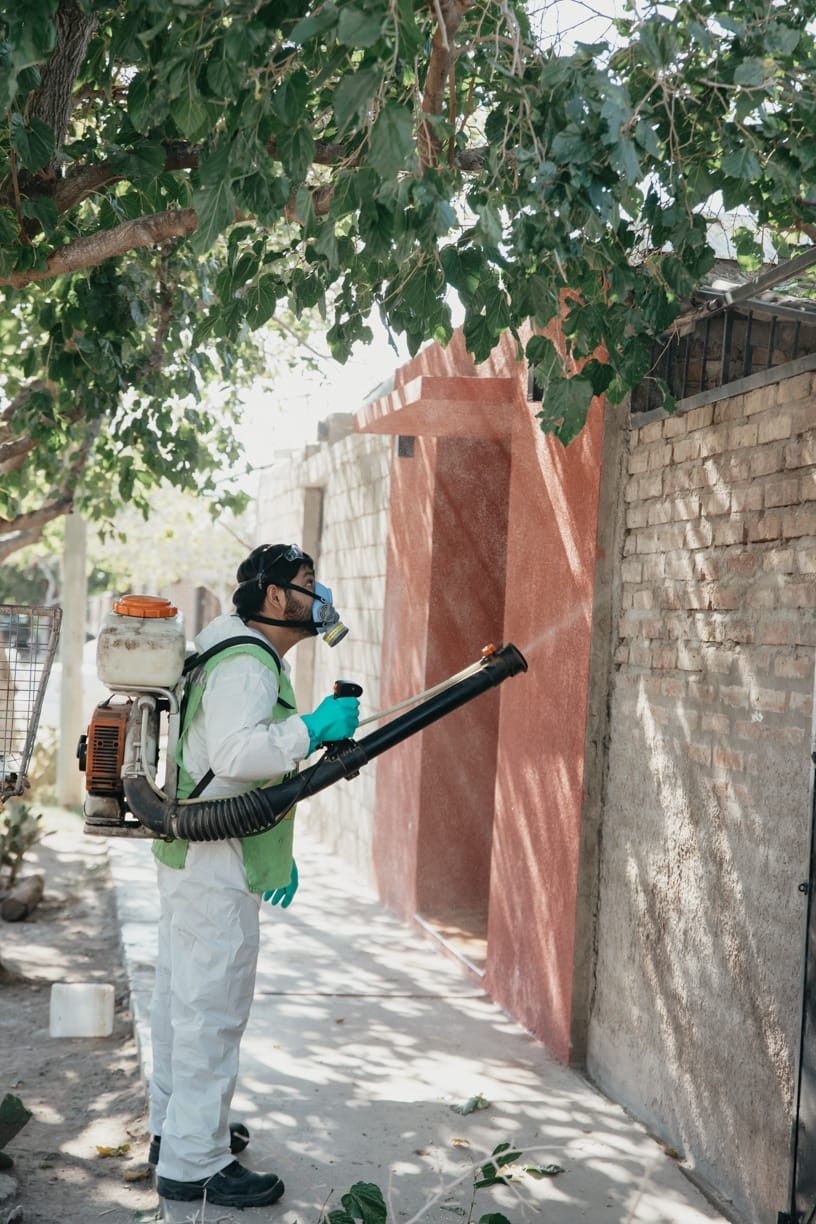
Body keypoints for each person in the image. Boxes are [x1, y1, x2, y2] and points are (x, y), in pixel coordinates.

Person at [148, 544, 360, 1208]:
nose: (317, 595)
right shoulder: (249, 664)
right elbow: (239, 755)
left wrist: (276, 850)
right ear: (275, 597)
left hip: (193, 850)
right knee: (211, 1009)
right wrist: (312, 728)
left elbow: (219, 750)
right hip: (214, 858)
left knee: (180, 1001)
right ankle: (195, 1163)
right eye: (306, 584)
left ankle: (175, 1129)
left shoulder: (225, 641)